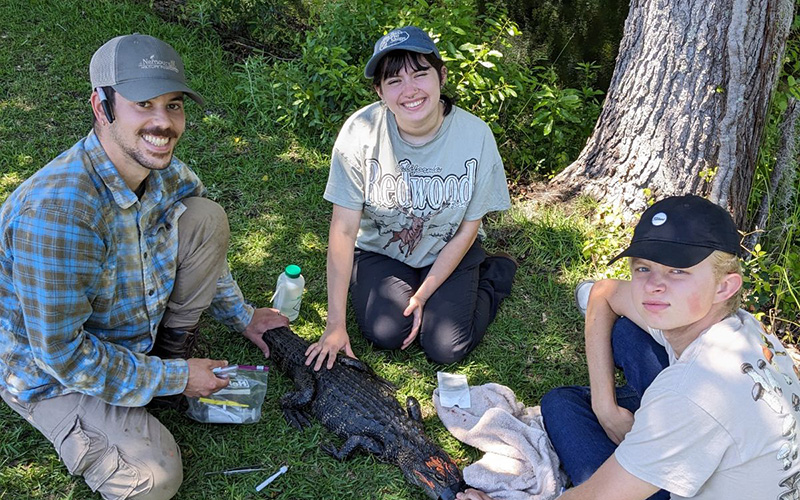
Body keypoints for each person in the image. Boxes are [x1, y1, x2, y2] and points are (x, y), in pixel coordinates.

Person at [0, 34, 288, 500]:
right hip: (48, 371)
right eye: (143, 103)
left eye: (173, 105)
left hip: (118, 336)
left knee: (205, 216)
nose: (163, 123)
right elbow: (63, 356)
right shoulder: (59, 216)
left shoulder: (164, 173)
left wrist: (244, 316)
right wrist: (180, 377)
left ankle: (166, 356)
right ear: (102, 106)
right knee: (154, 478)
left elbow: (202, 238)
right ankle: (151, 383)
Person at [457, 194, 800, 500]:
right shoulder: (737, 327)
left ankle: (641, 444)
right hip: (728, 454)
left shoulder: (689, 397)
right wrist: (605, 407)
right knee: (623, 333)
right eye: (643, 267)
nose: (654, 285)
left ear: (725, 286)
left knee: (560, 407)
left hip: (689, 459)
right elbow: (603, 293)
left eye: (678, 271)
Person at [304, 26, 517, 371]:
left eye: (420, 74)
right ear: (379, 91)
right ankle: (411, 290)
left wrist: (423, 294)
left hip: (449, 248)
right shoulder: (360, 132)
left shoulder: (475, 136)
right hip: (382, 250)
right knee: (386, 332)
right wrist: (334, 325)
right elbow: (343, 230)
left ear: (441, 76)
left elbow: (467, 229)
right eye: (394, 81)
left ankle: (493, 274)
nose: (410, 90)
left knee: (446, 346)